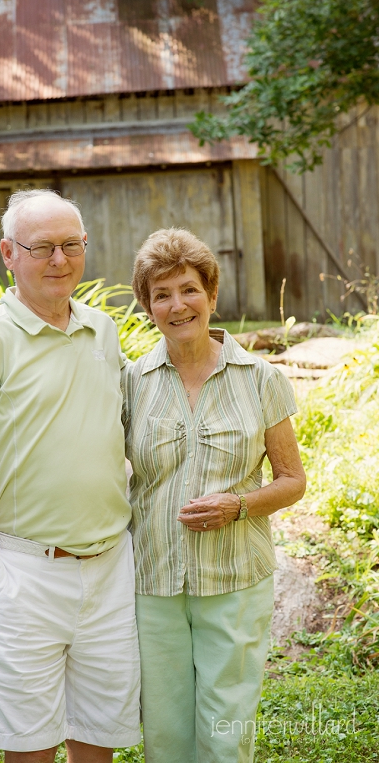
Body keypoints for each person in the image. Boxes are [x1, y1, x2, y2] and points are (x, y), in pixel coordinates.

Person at [0, 190, 140, 763]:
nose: (59, 259)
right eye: (42, 247)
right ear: (8, 252)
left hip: (109, 570)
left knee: (100, 733)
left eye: (71, 245)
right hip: (25, 571)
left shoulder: (102, 329)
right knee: (29, 744)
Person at [122, 228, 306, 763]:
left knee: (226, 726)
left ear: (211, 294)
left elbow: (292, 479)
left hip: (235, 578)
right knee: (164, 726)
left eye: (188, 289)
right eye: (161, 295)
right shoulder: (133, 380)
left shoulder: (259, 378)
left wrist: (238, 505)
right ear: (148, 306)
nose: (177, 305)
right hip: (154, 579)